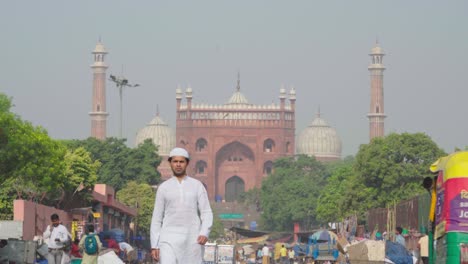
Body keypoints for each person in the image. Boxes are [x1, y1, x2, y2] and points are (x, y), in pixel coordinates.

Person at [150, 147, 213, 263]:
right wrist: (155, 244)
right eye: (175, 161)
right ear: (170, 163)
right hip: (168, 238)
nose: (178, 165)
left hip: (192, 239)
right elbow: (157, 218)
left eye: (181, 161)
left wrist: (204, 232)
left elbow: (206, 212)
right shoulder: (164, 188)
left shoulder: (197, 185)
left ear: (187, 163)